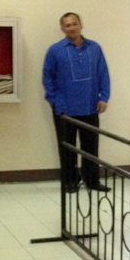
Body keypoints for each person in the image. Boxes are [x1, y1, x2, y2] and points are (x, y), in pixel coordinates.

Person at [42, 12, 111, 192]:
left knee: (91, 147)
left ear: (81, 25)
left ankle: (92, 181)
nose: (71, 28)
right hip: (65, 108)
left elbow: (103, 73)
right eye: (67, 25)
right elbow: (47, 77)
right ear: (62, 29)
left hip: (90, 106)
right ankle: (70, 181)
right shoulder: (55, 50)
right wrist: (53, 100)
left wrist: (104, 98)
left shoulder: (94, 48)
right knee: (67, 149)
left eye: (74, 24)